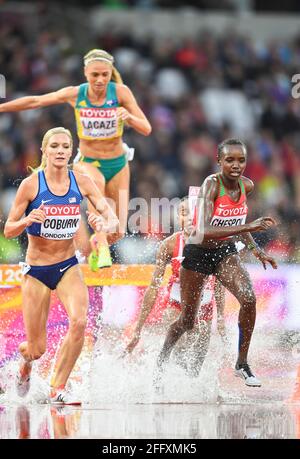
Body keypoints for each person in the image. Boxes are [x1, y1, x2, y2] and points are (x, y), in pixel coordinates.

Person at [0, 48, 152, 270]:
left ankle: (94, 243)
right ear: (85, 73)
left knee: (118, 231)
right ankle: (98, 244)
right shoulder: (76, 94)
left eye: (104, 75)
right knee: (95, 184)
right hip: (88, 162)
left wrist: (129, 116)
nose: (100, 80)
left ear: (110, 73)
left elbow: (146, 128)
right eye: (94, 75)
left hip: (118, 163)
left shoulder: (121, 93)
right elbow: (36, 101)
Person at [4, 127, 119, 405]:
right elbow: (8, 229)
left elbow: (112, 217)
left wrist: (105, 224)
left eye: (65, 147)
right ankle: (25, 365)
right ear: (44, 151)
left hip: (67, 266)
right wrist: (27, 220)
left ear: (71, 151)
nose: (59, 151)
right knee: (36, 349)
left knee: (79, 322)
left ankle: (58, 387)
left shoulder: (82, 182)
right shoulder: (31, 185)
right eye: (54, 146)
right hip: (37, 271)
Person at [155, 138, 278, 388]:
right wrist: (249, 225)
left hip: (224, 253)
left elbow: (237, 221)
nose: (236, 165)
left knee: (249, 298)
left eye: (241, 160)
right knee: (188, 321)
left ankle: (242, 364)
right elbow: (203, 229)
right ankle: (161, 360)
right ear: (219, 161)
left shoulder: (247, 186)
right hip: (198, 254)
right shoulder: (211, 185)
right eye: (230, 160)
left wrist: (256, 250)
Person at [126, 197, 227, 376]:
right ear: (177, 217)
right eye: (183, 213)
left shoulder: (215, 244)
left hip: (205, 309)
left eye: (192, 213)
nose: (188, 218)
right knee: (179, 354)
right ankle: (165, 380)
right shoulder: (169, 245)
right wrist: (138, 327)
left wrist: (221, 318)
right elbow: (154, 287)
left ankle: (196, 390)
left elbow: (219, 284)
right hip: (176, 305)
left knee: (196, 364)